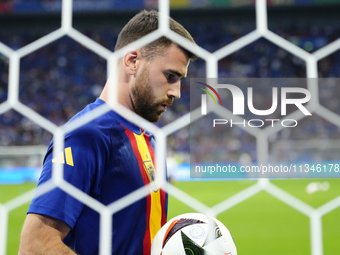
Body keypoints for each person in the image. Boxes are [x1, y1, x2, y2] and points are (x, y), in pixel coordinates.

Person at [19, 10, 197, 255]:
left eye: (180, 80)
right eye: (170, 76)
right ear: (132, 61)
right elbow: (35, 247)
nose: (176, 92)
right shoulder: (85, 135)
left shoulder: (151, 138)